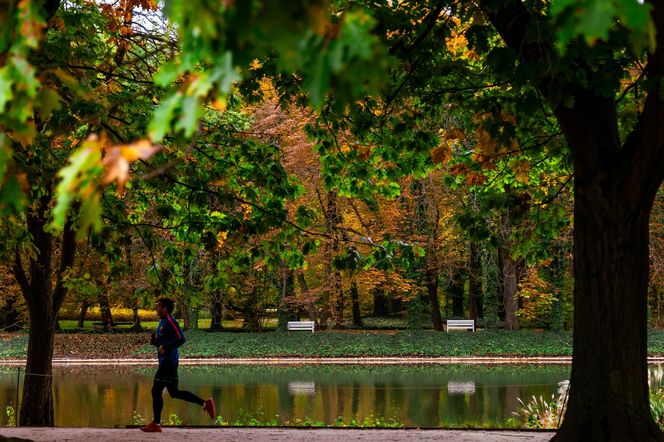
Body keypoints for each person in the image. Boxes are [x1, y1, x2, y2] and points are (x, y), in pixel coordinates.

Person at [140, 297, 216, 432]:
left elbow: (181, 338)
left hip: (168, 363)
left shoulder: (170, 320)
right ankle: (205, 403)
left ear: (165, 309)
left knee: (156, 391)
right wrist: (155, 342)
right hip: (167, 361)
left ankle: (156, 424)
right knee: (174, 393)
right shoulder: (163, 321)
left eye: (158, 306)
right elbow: (163, 344)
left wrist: (166, 347)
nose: (156, 308)